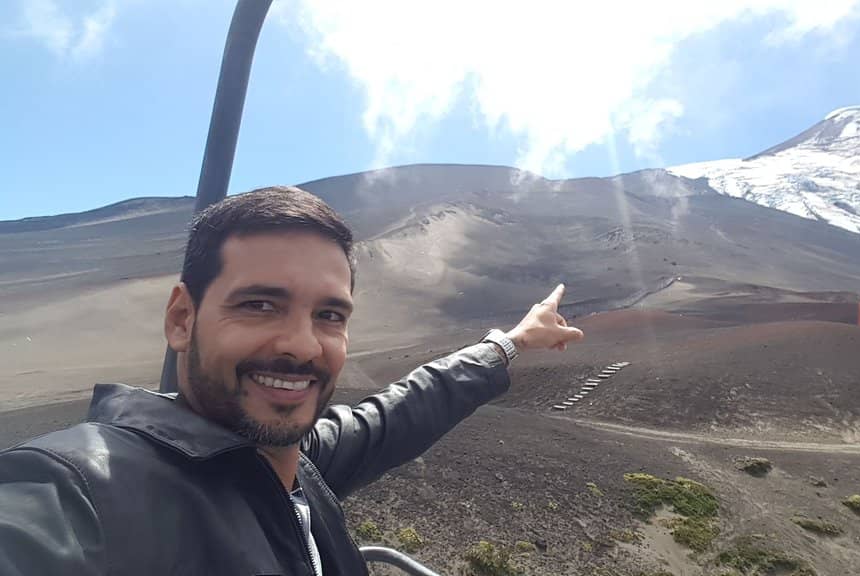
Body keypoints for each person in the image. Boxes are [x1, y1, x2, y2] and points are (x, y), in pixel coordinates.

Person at [0, 186, 585, 575]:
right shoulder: (75, 490)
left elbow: (400, 411)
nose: (302, 345)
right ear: (182, 319)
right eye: (259, 304)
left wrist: (510, 342)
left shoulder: (292, 460)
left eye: (329, 315)